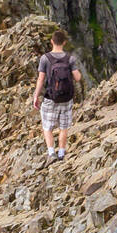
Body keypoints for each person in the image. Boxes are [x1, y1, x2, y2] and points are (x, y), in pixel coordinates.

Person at [33, 30, 82, 163]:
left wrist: (36, 96)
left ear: (52, 42)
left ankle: (51, 152)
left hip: (50, 98)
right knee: (63, 127)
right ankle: (61, 153)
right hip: (66, 99)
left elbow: (40, 79)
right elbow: (77, 78)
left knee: (47, 127)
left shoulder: (45, 58)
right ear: (64, 42)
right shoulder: (70, 58)